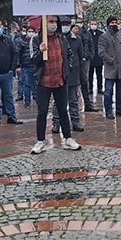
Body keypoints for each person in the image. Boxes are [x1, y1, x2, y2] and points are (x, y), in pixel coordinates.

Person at [29, 15, 81, 154]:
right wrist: (40, 51)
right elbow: (33, 60)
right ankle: (40, 141)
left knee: (63, 110)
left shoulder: (62, 38)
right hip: (44, 80)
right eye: (50, 22)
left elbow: (69, 54)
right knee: (42, 112)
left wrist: (67, 69)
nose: (53, 24)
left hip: (60, 79)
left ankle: (68, 138)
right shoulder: (36, 39)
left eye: (54, 22)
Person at [52, 22, 85, 132]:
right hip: (58, 73)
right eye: (63, 24)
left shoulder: (77, 39)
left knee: (73, 100)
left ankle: (75, 122)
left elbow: (80, 56)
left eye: (67, 24)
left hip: (73, 73)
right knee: (58, 101)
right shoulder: (57, 38)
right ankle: (56, 123)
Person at [98, 16, 121, 119]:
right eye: (112, 22)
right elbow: (101, 52)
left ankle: (120, 109)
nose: (114, 24)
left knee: (120, 91)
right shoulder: (104, 36)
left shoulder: (120, 35)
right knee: (108, 91)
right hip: (111, 68)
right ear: (108, 24)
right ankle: (108, 111)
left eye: (116, 22)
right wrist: (110, 60)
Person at [17, 26, 36, 108]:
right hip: (26, 66)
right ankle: (27, 101)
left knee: (36, 84)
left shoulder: (37, 40)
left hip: (35, 65)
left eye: (32, 31)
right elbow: (18, 54)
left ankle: (37, 98)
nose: (31, 32)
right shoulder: (21, 42)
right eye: (29, 31)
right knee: (27, 84)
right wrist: (18, 66)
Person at [88, 19, 104, 96]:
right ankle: (90, 88)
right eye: (92, 24)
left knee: (99, 74)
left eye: (95, 24)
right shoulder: (87, 34)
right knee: (90, 74)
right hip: (90, 58)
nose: (93, 25)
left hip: (99, 57)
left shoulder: (101, 34)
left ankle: (100, 88)